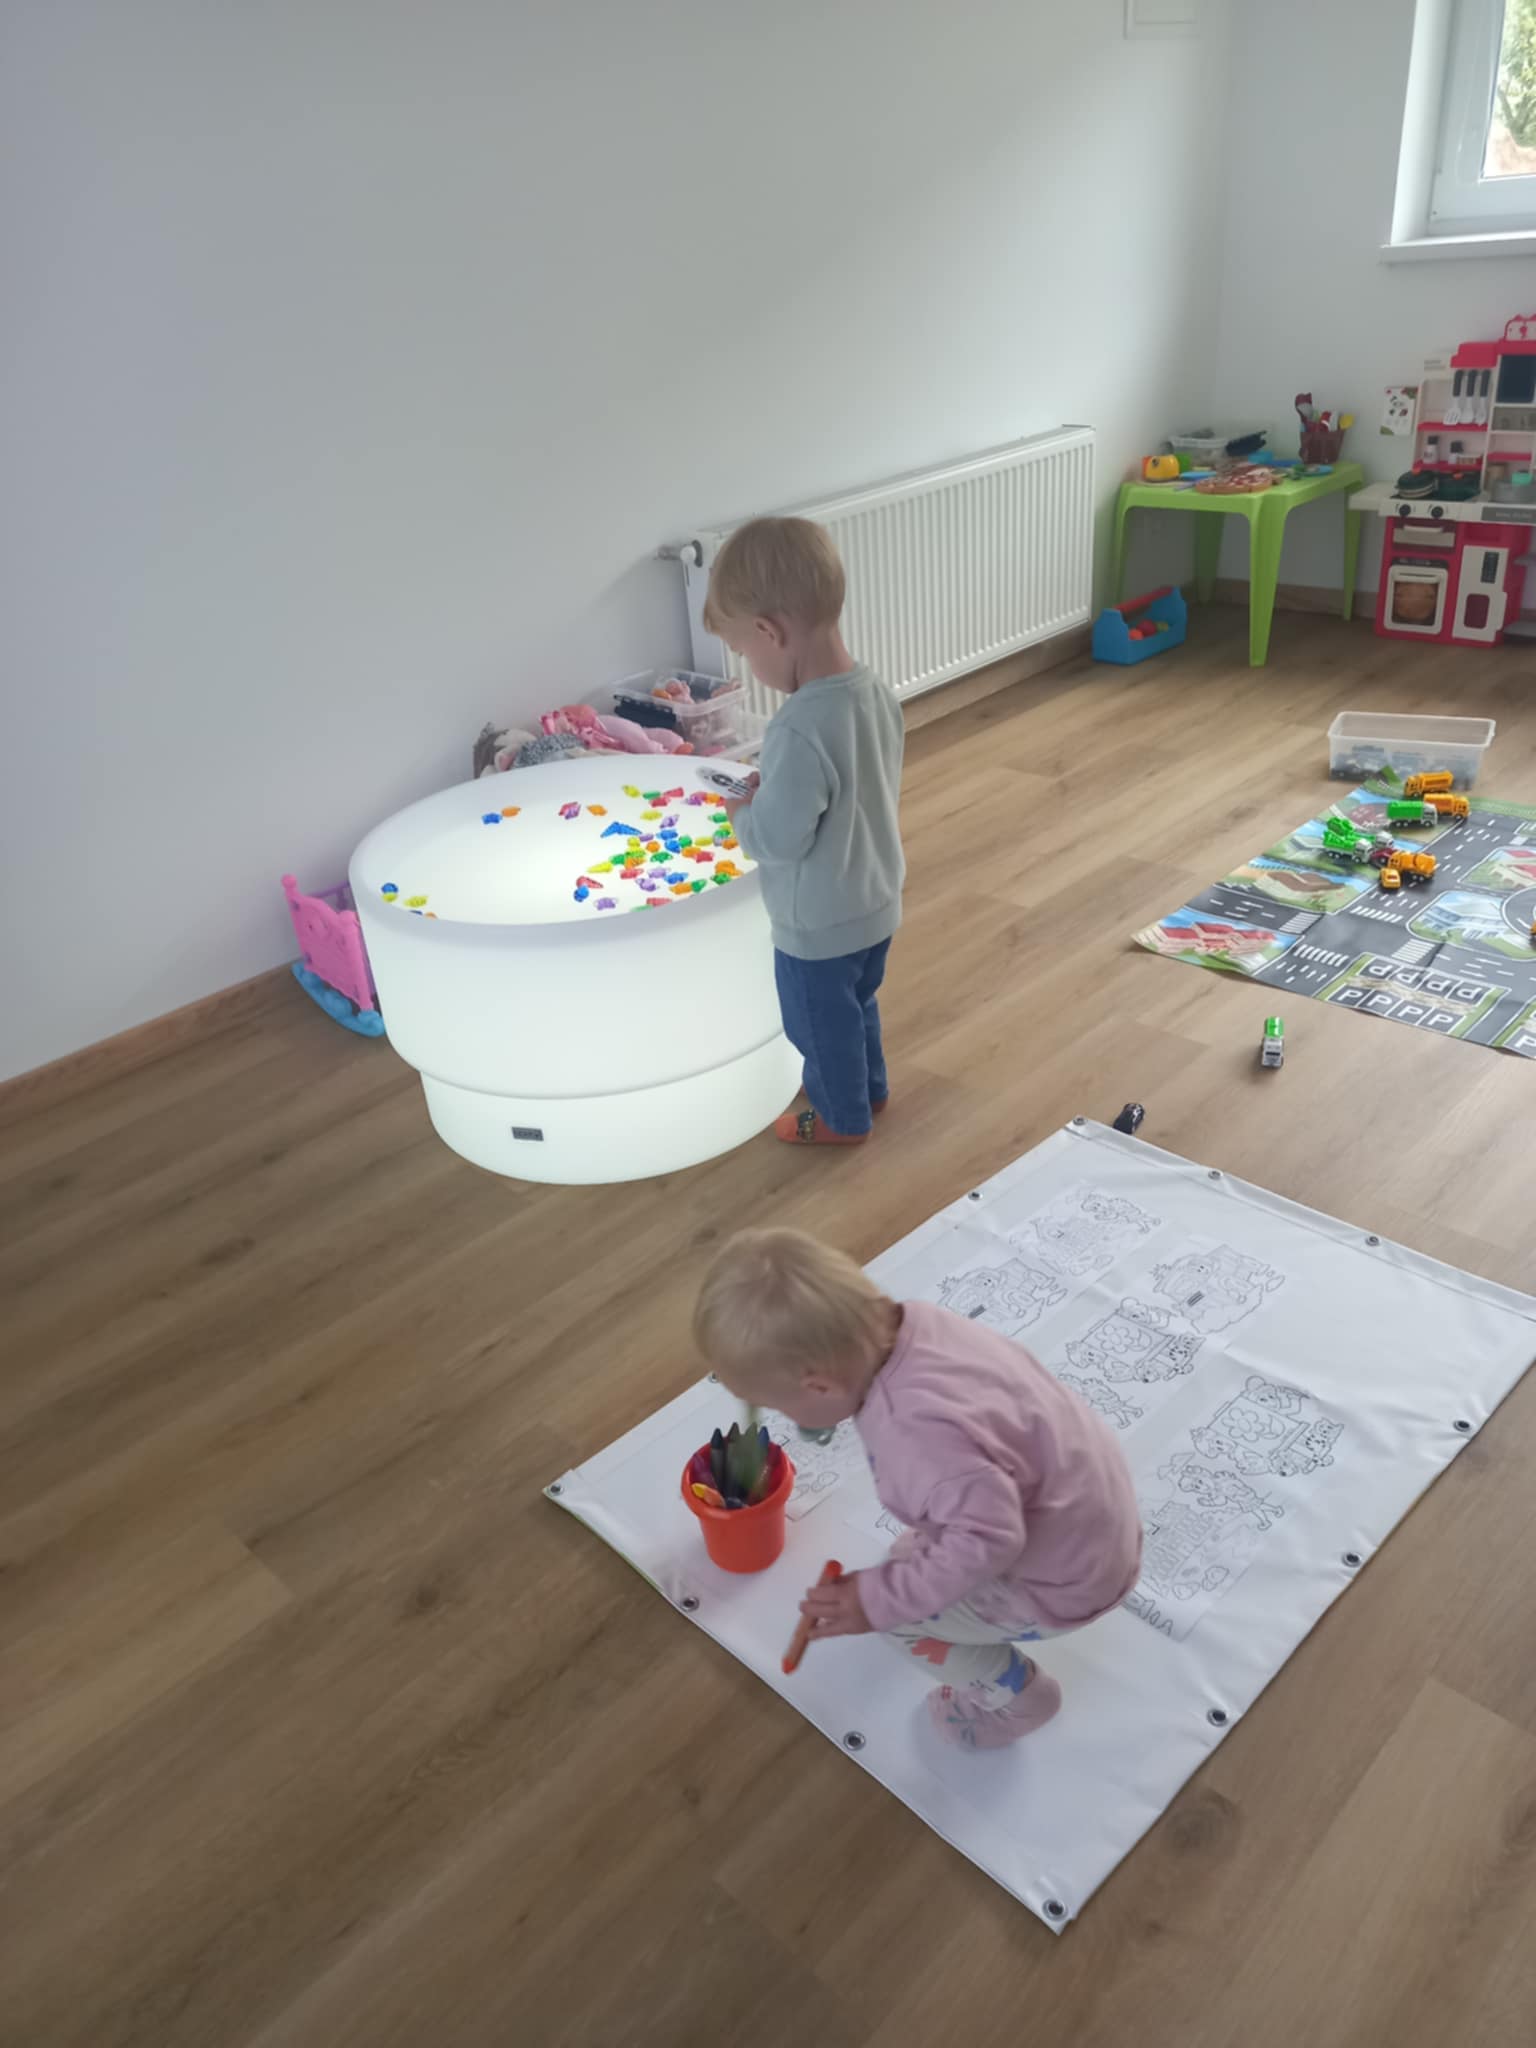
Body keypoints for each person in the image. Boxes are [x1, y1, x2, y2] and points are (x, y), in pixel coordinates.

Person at [693, 1228, 1143, 1750]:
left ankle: (1018, 1698)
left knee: (899, 1622)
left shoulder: (914, 1435)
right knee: (926, 1560)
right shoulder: (920, 1323)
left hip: (1064, 1577)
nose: (786, 1419)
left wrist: (878, 1601)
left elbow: (989, 1540)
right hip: (1094, 1515)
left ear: (819, 1386)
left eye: (780, 1406)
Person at [703, 517, 904, 1146]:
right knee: (857, 1006)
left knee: (817, 1026)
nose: (750, 664)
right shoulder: (874, 691)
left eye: (744, 651)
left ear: (770, 632)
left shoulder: (796, 727)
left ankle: (842, 1119)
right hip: (875, 902)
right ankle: (869, 1090)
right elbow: (850, 789)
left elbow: (776, 840)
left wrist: (741, 811)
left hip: (817, 924)